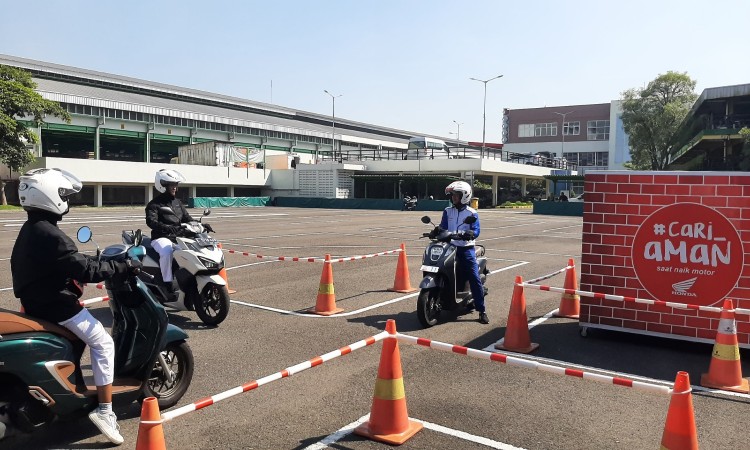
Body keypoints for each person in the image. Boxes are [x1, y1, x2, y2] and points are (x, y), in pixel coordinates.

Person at [11, 168, 136, 445]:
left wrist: (93, 260)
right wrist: (121, 265)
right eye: (63, 194)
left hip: (36, 303)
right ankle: (105, 410)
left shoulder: (33, 229)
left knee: (83, 343)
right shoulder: (50, 235)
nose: (67, 199)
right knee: (103, 343)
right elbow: (85, 271)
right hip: (57, 306)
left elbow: (68, 261)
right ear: (49, 197)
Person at [145, 169, 213, 301]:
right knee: (167, 251)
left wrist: (201, 225)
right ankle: (167, 283)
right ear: (163, 185)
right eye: (171, 185)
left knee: (192, 252)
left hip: (179, 237)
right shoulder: (154, 204)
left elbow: (187, 218)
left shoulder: (178, 203)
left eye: (176, 184)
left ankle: (189, 280)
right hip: (161, 238)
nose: (175, 187)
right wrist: (168, 228)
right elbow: (151, 222)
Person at [439, 180, 489, 324]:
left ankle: (482, 310)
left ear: (465, 195)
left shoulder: (471, 213)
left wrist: (470, 233)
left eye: (456, 195)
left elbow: (476, 230)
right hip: (450, 247)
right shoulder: (447, 211)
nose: (453, 197)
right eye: (453, 195)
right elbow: (443, 227)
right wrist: (437, 231)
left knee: (474, 276)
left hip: (465, 249)